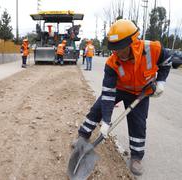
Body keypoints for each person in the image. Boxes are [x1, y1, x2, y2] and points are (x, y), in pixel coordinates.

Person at [72, 19, 171, 176]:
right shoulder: (112, 63)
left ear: (133, 42)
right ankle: (83, 135)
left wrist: (161, 82)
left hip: (141, 92)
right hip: (120, 88)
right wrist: (106, 120)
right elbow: (108, 94)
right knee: (97, 109)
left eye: (121, 48)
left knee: (138, 123)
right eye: (114, 49)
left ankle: (136, 157)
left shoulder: (152, 48)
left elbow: (166, 62)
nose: (117, 52)